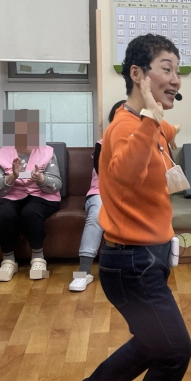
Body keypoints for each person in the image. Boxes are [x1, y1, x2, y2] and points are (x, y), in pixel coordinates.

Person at [69, 34, 190, 381]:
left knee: (152, 345)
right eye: (166, 69)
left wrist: (163, 122)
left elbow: (167, 130)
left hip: (150, 257)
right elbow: (126, 175)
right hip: (132, 264)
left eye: (178, 71)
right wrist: (152, 118)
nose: (176, 79)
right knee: (174, 353)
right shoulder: (125, 126)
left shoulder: (148, 123)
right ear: (137, 74)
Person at [0, 109, 62, 282]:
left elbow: (56, 184)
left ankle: (38, 259)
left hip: (42, 196)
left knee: (31, 213)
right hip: (9, 196)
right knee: (5, 214)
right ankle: (8, 260)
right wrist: (11, 177)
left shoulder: (47, 152)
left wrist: (41, 179)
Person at [69, 100, 126, 292]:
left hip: (130, 194)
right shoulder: (102, 144)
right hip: (100, 192)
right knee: (96, 217)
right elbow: (106, 173)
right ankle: (83, 273)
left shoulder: (143, 143)